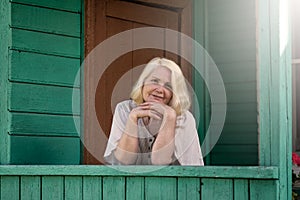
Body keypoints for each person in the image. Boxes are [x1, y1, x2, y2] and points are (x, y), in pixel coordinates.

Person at [104, 57, 204, 166]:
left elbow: (160, 162)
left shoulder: (184, 118)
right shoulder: (125, 109)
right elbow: (124, 160)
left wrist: (170, 117)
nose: (160, 90)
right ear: (143, 82)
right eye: (154, 81)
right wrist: (133, 118)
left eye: (168, 86)